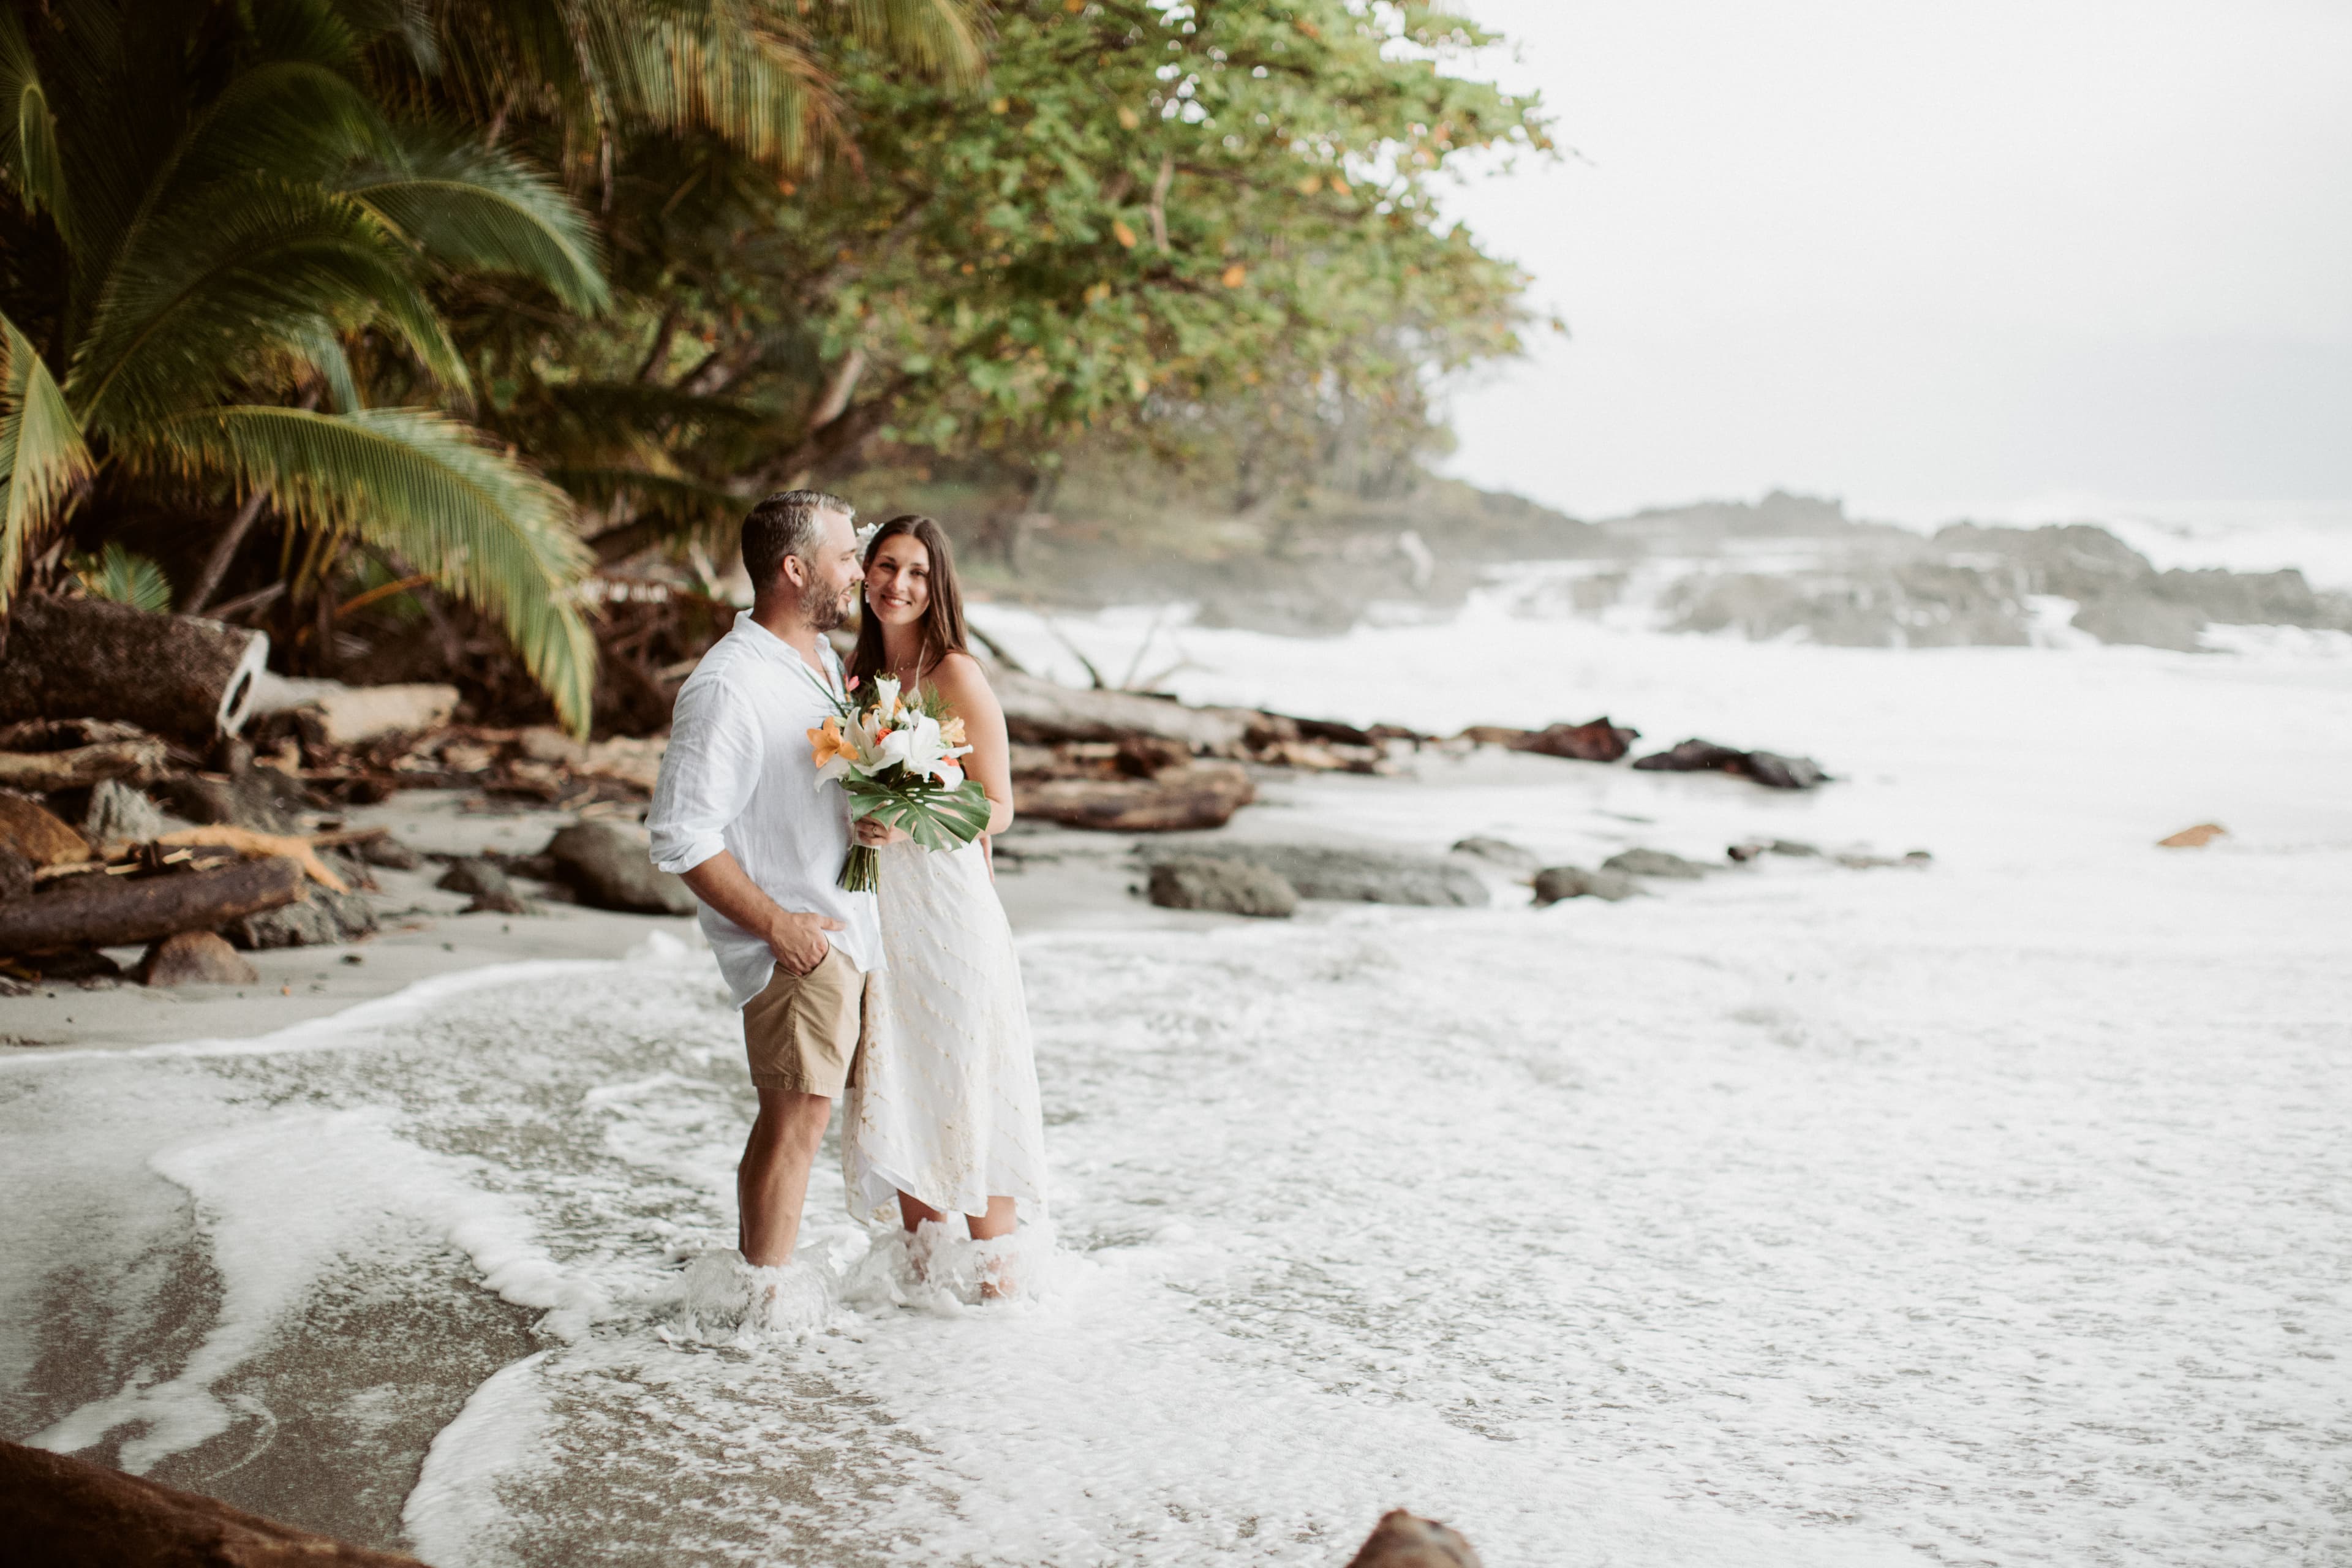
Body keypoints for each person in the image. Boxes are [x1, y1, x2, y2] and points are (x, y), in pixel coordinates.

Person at [646, 489, 876, 1277]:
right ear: (794, 568)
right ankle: (760, 1314)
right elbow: (681, 836)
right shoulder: (729, 686)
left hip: (850, 925)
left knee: (824, 1120)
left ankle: (768, 1295)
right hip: (800, 942)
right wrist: (781, 928)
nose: (859, 572)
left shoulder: (818, 664)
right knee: (795, 1122)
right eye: (846, 557)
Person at [839, 515, 1049, 1289]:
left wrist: (908, 815)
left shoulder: (955, 672)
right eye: (886, 566)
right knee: (905, 1083)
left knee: (969, 1078)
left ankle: (1000, 1296)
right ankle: (927, 1316)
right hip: (881, 912)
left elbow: (1000, 808)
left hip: (949, 910)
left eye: (918, 573)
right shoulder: (852, 673)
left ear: (940, 585)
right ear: (864, 573)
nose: (899, 584)